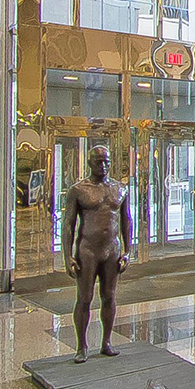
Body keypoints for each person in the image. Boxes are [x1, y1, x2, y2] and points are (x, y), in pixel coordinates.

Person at [63, 145, 134, 362]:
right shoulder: (78, 190)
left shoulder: (120, 189)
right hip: (87, 250)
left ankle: (106, 342)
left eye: (106, 161)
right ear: (89, 162)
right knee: (84, 298)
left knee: (109, 296)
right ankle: (81, 346)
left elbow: (126, 220)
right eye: (97, 161)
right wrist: (67, 257)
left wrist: (128, 251)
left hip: (111, 249)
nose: (102, 165)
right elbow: (68, 224)